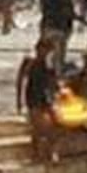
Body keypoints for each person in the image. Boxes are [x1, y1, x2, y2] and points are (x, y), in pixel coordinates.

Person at [16, 35, 59, 163]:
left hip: (44, 97)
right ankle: (37, 153)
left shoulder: (49, 66)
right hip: (33, 96)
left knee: (52, 125)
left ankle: (50, 151)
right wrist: (19, 100)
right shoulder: (30, 62)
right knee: (37, 127)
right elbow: (20, 81)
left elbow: (53, 84)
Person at [39, 0, 76, 75]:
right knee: (58, 58)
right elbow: (64, 6)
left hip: (48, 23)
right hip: (58, 24)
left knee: (49, 55)